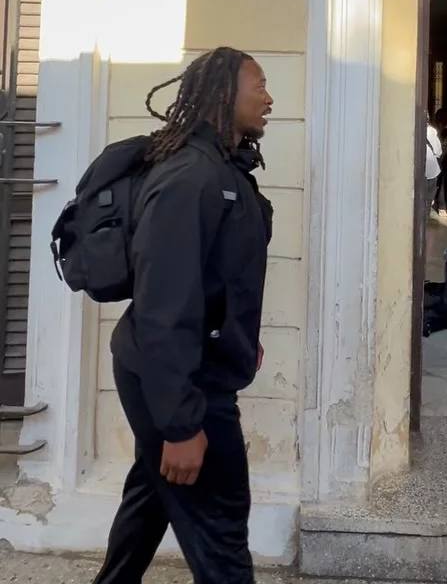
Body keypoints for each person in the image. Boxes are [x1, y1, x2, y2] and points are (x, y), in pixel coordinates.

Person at [94, 47, 274, 584]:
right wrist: (181, 423)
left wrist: (242, 336)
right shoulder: (191, 177)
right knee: (220, 537)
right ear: (223, 95)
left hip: (186, 367)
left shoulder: (221, 169)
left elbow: (218, 277)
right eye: (258, 86)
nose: (269, 98)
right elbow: (163, 302)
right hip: (179, 383)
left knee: (151, 502)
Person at [426, 115, 443, 220]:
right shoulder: (431, 131)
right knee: (427, 200)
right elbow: (438, 151)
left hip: (417, 171)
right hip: (431, 170)